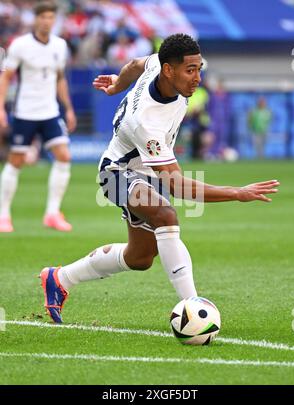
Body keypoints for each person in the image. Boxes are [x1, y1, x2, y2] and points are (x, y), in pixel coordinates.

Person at [39, 34, 279, 323]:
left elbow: (134, 63)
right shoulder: (147, 122)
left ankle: (59, 277)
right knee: (166, 215)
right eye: (190, 70)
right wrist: (237, 193)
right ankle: (193, 309)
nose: (197, 78)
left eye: (199, 68)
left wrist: (117, 85)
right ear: (169, 70)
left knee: (139, 258)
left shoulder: (158, 66)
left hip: (148, 172)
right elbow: (176, 185)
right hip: (118, 173)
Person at [0, 1, 77, 233]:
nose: (46, 21)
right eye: (42, 17)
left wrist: (69, 108)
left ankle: (52, 213)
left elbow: (60, 78)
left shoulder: (60, 45)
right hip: (25, 111)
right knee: (16, 161)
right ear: (35, 19)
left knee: (63, 156)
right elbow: (6, 76)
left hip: (50, 111)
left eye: (50, 17)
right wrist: (1, 107)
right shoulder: (20, 45)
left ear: (54, 20)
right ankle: (3, 214)